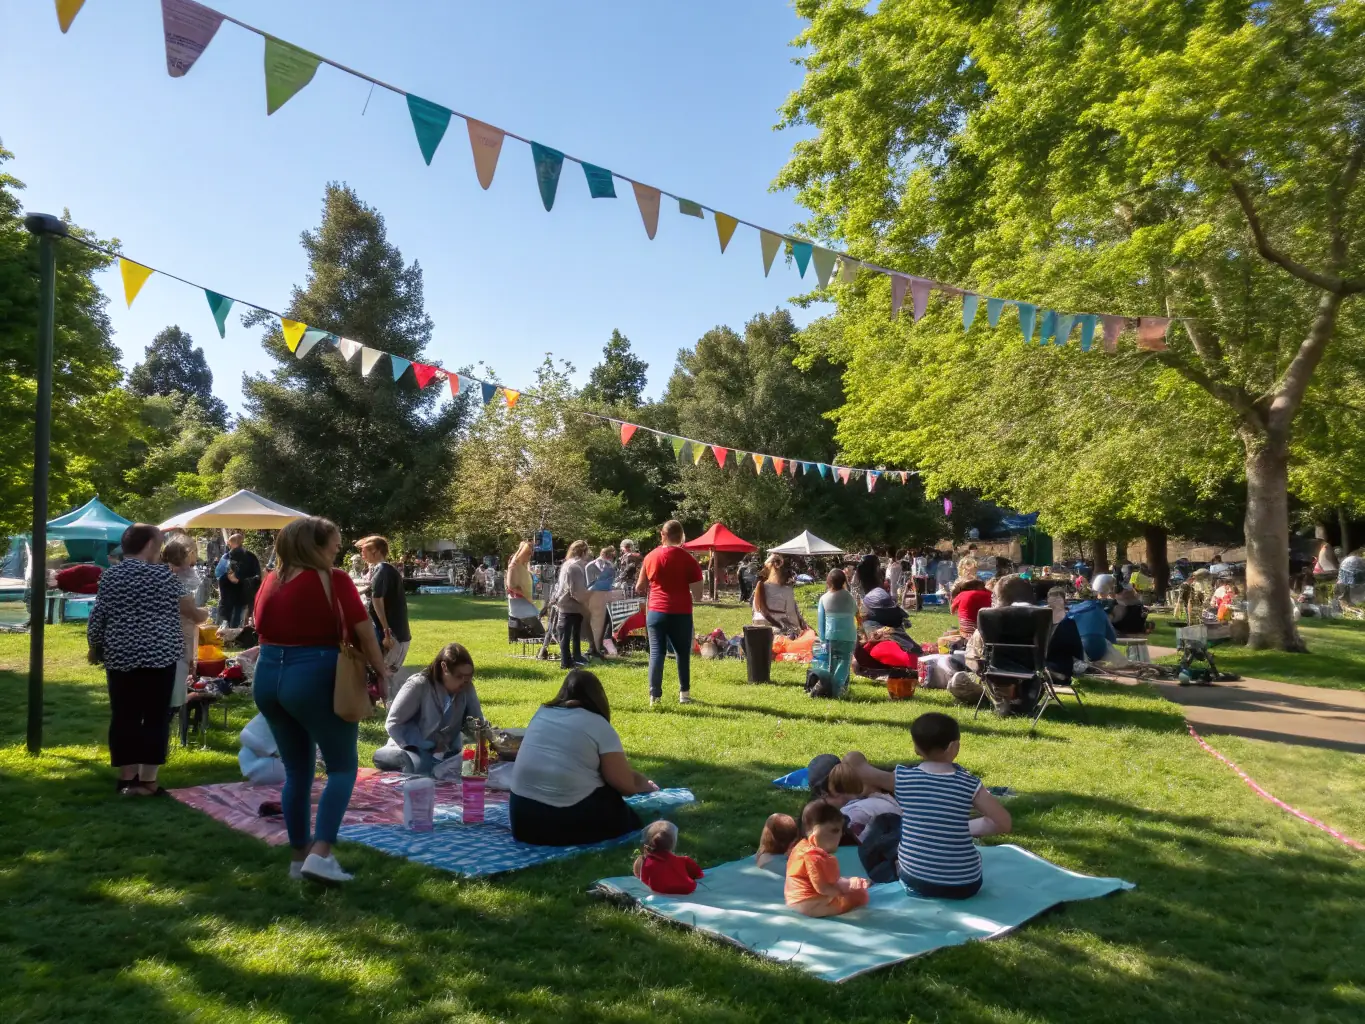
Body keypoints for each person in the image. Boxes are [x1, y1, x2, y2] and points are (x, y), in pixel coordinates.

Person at [252, 516, 391, 884]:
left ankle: (299, 858)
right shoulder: (335, 579)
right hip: (314, 673)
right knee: (343, 768)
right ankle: (322, 852)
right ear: (312, 545)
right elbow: (364, 632)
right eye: (333, 542)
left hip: (268, 677)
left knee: (297, 771)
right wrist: (382, 672)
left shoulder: (270, 581)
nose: (337, 548)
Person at [87, 523, 195, 797]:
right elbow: (183, 613)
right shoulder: (165, 577)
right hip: (160, 655)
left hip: (121, 654)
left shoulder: (112, 576)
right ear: (149, 545)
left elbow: (99, 616)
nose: (161, 547)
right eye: (159, 542)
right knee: (156, 718)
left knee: (125, 716)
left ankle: (126, 778)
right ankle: (148, 781)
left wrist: (95, 646)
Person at [509, 669, 656, 845]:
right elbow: (624, 785)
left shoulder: (541, 714)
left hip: (522, 821)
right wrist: (645, 785)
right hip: (562, 822)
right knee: (622, 810)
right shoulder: (598, 724)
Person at [372, 643, 482, 774]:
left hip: (448, 752)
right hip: (411, 748)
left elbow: (476, 722)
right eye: (459, 677)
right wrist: (427, 745)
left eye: (468, 678)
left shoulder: (466, 688)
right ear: (444, 667)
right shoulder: (419, 685)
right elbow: (393, 724)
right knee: (422, 769)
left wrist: (487, 738)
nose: (464, 682)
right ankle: (388, 758)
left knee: (475, 766)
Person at [637, 520, 704, 706]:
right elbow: (698, 595)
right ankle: (684, 694)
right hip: (681, 611)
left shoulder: (650, 557)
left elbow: (639, 586)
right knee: (682, 653)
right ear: (682, 536)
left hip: (657, 610)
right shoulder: (689, 559)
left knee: (656, 653)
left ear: (662, 534)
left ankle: (654, 696)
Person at [784, 800, 871, 917]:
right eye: (834, 831)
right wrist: (841, 893)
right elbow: (823, 888)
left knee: (848, 885)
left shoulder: (802, 846)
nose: (840, 835)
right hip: (809, 905)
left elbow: (827, 880)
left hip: (794, 900)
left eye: (841, 831)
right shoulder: (813, 856)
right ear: (813, 831)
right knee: (859, 896)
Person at [162, 536, 210, 717]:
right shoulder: (178, 578)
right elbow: (191, 611)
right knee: (177, 676)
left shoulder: (165, 574)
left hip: (175, 634)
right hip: (178, 634)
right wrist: (205, 613)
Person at [356, 535, 410, 688]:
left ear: (376, 551)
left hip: (393, 636)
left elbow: (377, 600)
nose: (362, 554)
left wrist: (386, 630)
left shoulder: (383, 569)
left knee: (386, 677)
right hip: (393, 633)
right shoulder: (381, 570)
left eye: (365, 550)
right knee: (382, 676)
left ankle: (394, 708)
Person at [632, 820, 704, 895]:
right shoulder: (683, 860)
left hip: (658, 890)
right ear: (672, 843)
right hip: (687, 888)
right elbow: (699, 874)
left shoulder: (644, 861)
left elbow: (640, 877)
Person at [817, 569, 859, 697]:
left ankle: (830, 686)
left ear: (828, 582)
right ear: (844, 581)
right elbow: (855, 612)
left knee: (833, 662)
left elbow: (821, 621)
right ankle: (837, 687)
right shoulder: (849, 597)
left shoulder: (824, 598)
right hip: (848, 635)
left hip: (831, 635)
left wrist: (823, 639)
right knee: (844, 662)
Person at [552, 540, 592, 669]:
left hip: (569, 604)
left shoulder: (568, 564)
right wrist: (586, 602)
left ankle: (575, 656)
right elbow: (575, 590)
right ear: (584, 551)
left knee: (572, 633)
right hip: (569, 604)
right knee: (566, 634)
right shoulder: (575, 566)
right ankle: (566, 661)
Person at [216, 532, 262, 628]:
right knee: (239, 622)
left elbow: (218, 573)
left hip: (231, 596)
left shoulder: (227, 557)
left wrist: (236, 580)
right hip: (244, 595)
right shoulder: (252, 557)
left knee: (227, 622)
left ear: (231, 543)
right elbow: (257, 577)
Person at [753, 556, 807, 634]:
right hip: (779, 631)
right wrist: (798, 629)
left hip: (760, 631)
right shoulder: (787, 590)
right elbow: (791, 614)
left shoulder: (760, 586)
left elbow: (756, 609)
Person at [585, 546, 618, 658]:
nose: (611, 559)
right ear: (604, 554)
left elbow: (612, 581)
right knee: (595, 623)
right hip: (594, 597)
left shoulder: (611, 566)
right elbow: (588, 584)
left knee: (606, 621)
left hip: (606, 597)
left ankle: (599, 646)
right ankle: (592, 648)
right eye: (610, 556)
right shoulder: (591, 566)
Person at [1067, 589, 1118, 662]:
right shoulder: (1101, 610)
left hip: (1082, 645)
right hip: (1099, 648)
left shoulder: (1073, 610)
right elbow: (1112, 636)